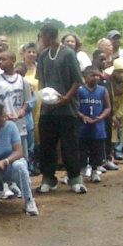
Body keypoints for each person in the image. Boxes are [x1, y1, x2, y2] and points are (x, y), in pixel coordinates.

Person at [35, 23, 86, 194]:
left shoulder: (68, 54)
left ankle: (75, 179)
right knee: (47, 145)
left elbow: (77, 80)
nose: (41, 39)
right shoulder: (43, 56)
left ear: (49, 35)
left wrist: (66, 98)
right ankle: (48, 178)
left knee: (69, 145)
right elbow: (40, 79)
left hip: (67, 111)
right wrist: (44, 96)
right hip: (48, 110)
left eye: (42, 36)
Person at [0, 51, 31, 163]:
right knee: (5, 157)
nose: (1, 62)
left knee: (22, 158)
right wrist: (4, 113)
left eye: (4, 59)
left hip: (19, 124)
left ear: (13, 61)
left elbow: (27, 100)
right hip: (2, 125)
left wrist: (22, 110)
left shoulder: (22, 80)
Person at [77, 66, 111, 183]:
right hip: (82, 127)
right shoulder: (80, 90)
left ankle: (95, 171)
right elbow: (75, 107)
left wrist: (100, 117)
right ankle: (81, 171)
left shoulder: (102, 90)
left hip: (98, 127)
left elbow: (107, 107)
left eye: (97, 75)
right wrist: (83, 116)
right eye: (92, 75)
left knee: (97, 151)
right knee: (81, 151)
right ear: (85, 76)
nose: (95, 78)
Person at [91, 49, 118, 171]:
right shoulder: (92, 76)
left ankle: (106, 159)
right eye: (100, 60)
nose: (103, 62)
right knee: (96, 137)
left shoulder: (107, 77)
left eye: (105, 60)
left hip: (106, 112)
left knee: (107, 135)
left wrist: (112, 113)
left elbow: (110, 96)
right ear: (94, 60)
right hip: (95, 111)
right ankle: (97, 162)